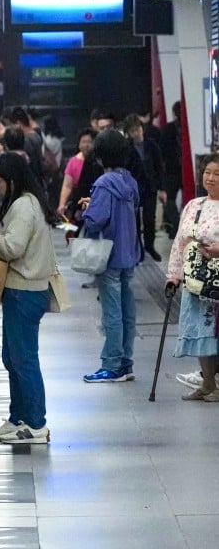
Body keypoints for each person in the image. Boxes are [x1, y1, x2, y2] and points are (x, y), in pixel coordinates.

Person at [0, 153, 57, 444]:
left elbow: (13, 247)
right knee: (13, 357)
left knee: (24, 359)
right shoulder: (29, 202)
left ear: (12, 180)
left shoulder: (22, 205)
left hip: (25, 291)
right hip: (22, 290)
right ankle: (18, 417)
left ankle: (36, 424)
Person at [78, 129, 141, 382]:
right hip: (129, 253)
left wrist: (87, 209)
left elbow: (96, 221)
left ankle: (112, 364)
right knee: (128, 310)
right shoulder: (130, 182)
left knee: (111, 312)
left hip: (108, 256)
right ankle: (126, 362)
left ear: (101, 155)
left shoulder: (103, 184)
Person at [165, 153, 219, 400]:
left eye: (217, 174)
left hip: (217, 280)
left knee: (215, 330)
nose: (211, 178)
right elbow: (179, 242)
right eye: (208, 172)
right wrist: (173, 275)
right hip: (195, 278)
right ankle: (208, 383)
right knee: (199, 329)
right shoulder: (193, 205)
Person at [123, 113, 165, 261]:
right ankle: (138, 249)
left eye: (138, 129)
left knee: (149, 219)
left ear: (142, 128)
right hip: (133, 188)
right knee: (134, 221)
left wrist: (161, 188)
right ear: (128, 133)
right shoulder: (127, 148)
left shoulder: (151, 144)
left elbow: (159, 166)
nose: (136, 133)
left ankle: (150, 246)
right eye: (132, 131)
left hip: (150, 187)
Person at [57, 128, 95, 221]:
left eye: (89, 142)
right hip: (78, 203)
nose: (86, 145)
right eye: (83, 141)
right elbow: (67, 185)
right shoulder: (73, 161)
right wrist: (62, 204)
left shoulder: (97, 162)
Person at [160, 101, 183, 239]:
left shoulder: (167, 128)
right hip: (186, 168)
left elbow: (162, 150)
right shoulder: (190, 128)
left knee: (169, 199)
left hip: (170, 169)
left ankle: (176, 225)